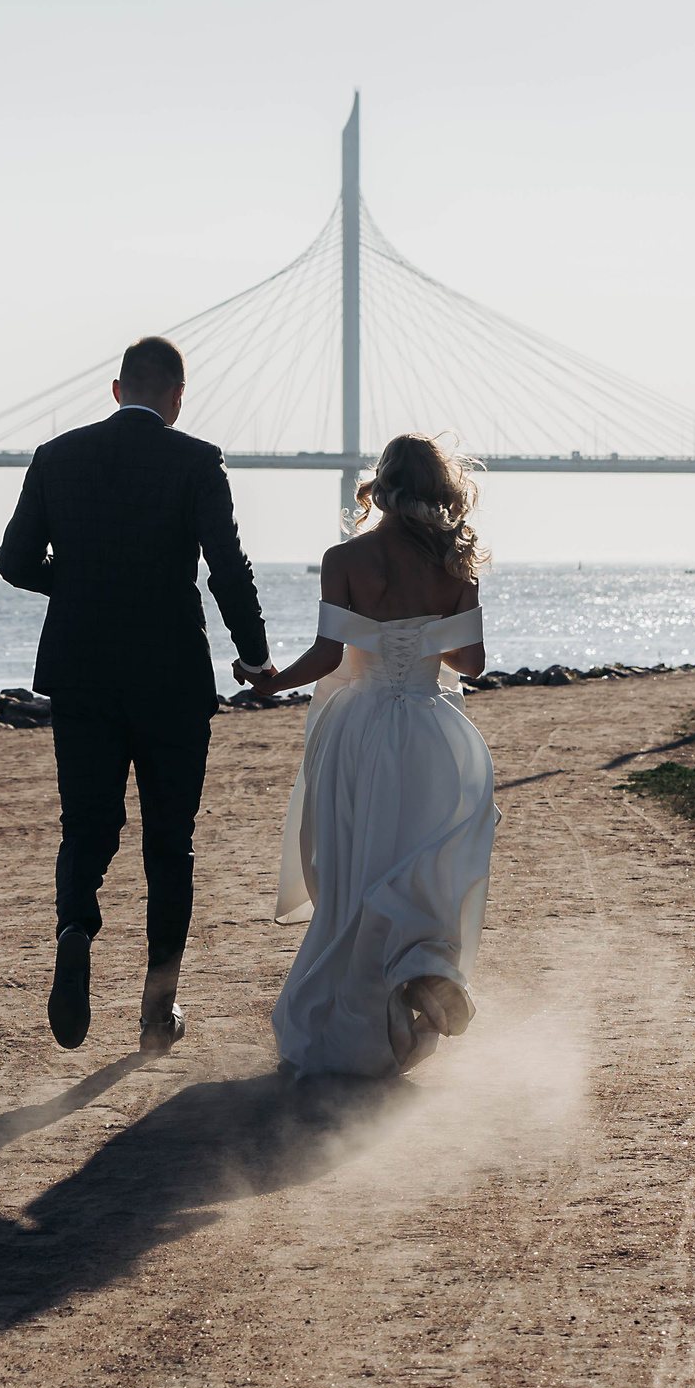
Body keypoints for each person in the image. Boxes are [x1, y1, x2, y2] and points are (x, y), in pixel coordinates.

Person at [0, 336, 271, 1054]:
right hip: (171, 676)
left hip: (81, 671)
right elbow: (227, 567)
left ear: (117, 390)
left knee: (86, 826)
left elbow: (14, 560)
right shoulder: (197, 461)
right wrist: (255, 653)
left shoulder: (56, 456)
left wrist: (78, 584)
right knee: (170, 843)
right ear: (177, 398)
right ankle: (157, 1010)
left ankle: (73, 930)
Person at [243, 433, 497, 1077]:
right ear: (441, 490)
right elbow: (472, 663)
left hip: (358, 731)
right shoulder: (455, 565)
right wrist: (429, 629)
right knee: (420, 865)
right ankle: (424, 966)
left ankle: (364, 1019)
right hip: (431, 734)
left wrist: (271, 682)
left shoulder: (344, 559)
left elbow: (327, 656)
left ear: (379, 486)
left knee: (352, 879)